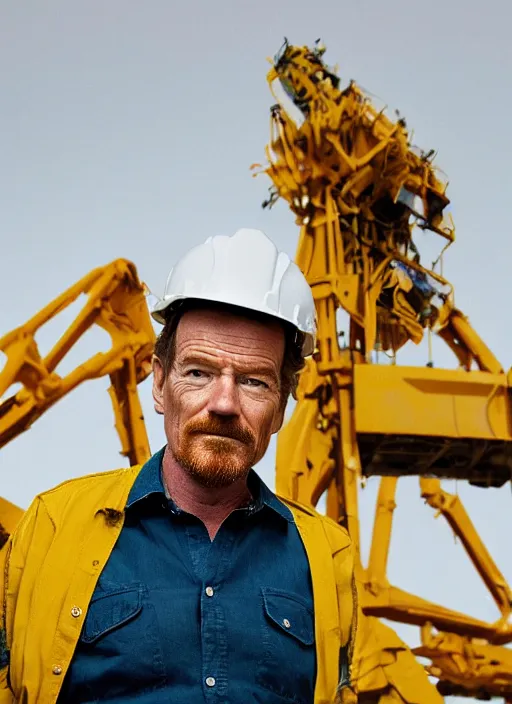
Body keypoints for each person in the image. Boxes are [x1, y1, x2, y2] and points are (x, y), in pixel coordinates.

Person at [0, 228, 358, 703]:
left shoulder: (328, 560)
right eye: (198, 373)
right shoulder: (52, 528)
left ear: (281, 409)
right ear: (159, 383)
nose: (224, 403)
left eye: (254, 382)